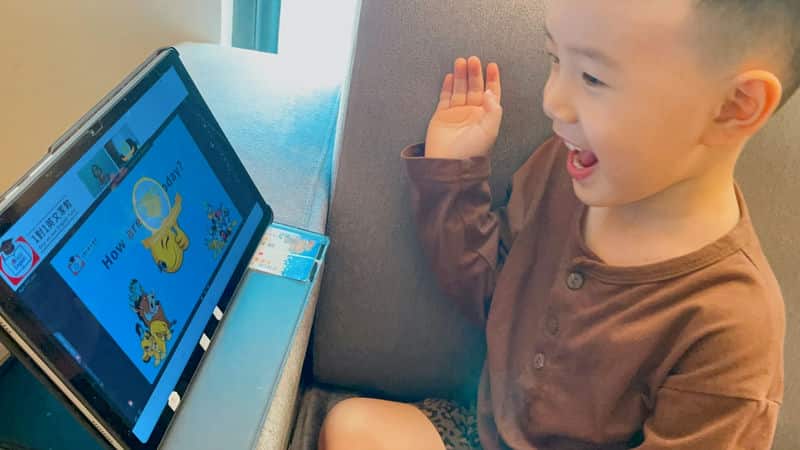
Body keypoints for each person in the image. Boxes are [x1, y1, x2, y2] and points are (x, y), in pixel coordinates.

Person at [319, 1, 791, 448]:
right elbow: (491, 293)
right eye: (555, 59)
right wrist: (453, 175)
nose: (553, 102)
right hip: (480, 434)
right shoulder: (566, 170)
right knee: (353, 428)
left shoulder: (731, 327)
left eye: (593, 78)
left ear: (735, 106)